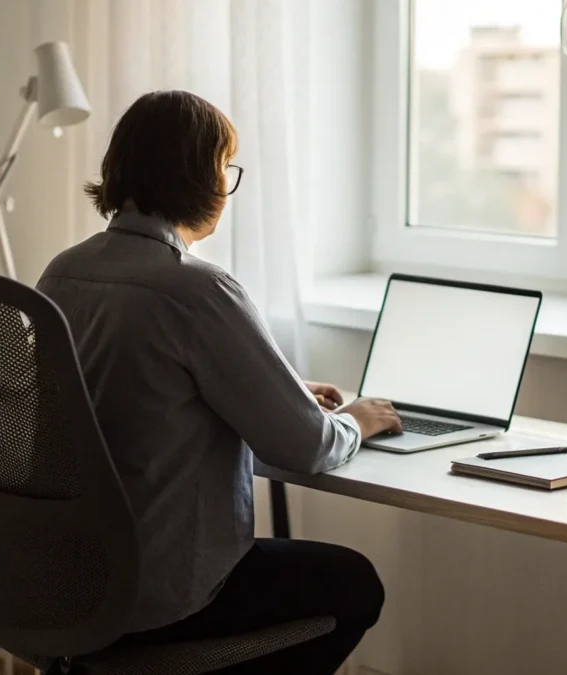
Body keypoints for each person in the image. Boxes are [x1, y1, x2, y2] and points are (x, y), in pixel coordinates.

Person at [36, 90, 403, 673]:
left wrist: (276, 390)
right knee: (356, 585)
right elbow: (307, 447)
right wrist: (357, 419)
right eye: (224, 168)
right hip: (167, 594)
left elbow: (136, 386)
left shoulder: (62, 273)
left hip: (76, 582)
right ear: (197, 177)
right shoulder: (199, 290)